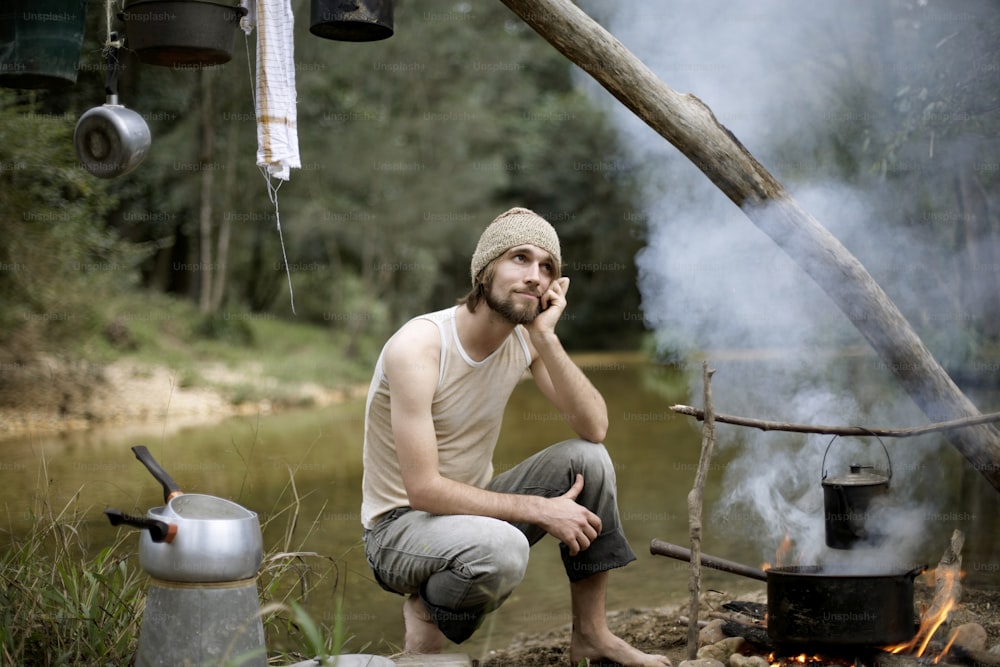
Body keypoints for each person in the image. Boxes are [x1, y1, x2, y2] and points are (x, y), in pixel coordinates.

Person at [361, 207, 671, 667]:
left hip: (469, 508)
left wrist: (545, 337)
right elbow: (422, 490)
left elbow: (595, 427)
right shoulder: (420, 346)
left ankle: (591, 634)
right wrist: (540, 509)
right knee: (502, 551)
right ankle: (427, 609)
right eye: (519, 258)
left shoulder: (526, 339)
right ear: (485, 270)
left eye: (548, 267)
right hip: (397, 530)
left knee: (590, 459)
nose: (535, 276)